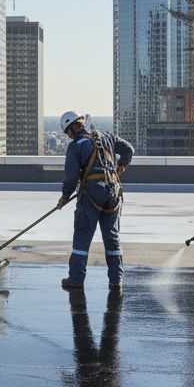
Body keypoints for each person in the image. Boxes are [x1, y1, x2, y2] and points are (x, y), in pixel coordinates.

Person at [56, 111, 134, 290]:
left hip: (92, 195)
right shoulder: (106, 136)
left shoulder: (76, 146)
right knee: (112, 237)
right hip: (113, 192)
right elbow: (128, 150)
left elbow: (71, 177)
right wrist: (121, 165)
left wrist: (65, 196)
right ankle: (116, 279)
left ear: (71, 130)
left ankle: (76, 278)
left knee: (82, 236)